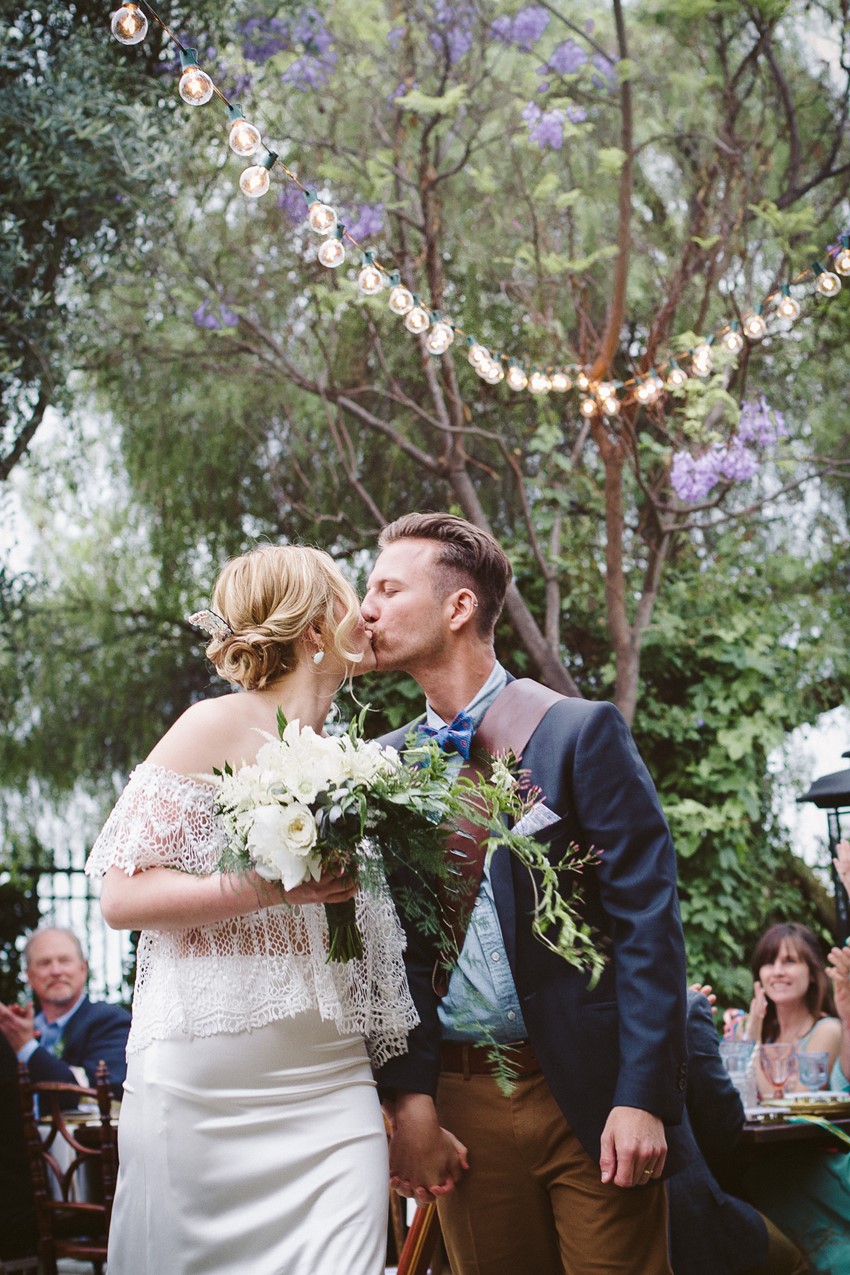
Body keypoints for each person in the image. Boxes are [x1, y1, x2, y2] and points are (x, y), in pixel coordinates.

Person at [361, 512, 689, 1275]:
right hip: (461, 1103)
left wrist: (642, 1094)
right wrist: (410, 1099)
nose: (365, 610)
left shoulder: (577, 732)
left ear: (459, 606)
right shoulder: (379, 766)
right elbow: (390, 954)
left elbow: (647, 921)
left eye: (387, 589)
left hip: (588, 1090)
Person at [85, 544, 420, 1275]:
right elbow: (121, 896)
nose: (367, 613)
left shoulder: (353, 758)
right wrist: (270, 888)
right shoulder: (211, 726)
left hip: (334, 1087)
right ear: (316, 628)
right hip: (206, 1098)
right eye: (351, 598)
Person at [668, 987, 808, 1275]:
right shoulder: (684, 1008)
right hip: (688, 1217)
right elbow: (723, 1130)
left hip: (607, 1217)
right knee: (794, 1263)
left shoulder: (578, 1023)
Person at [0, 926, 131, 1094]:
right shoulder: (17, 1032)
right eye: (44, 963)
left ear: (83, 969)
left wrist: (26, 1046)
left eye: (64, 961)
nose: (56, 971)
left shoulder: (112, 1022)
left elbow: (94, 1098)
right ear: (29, 976)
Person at [733, 922, 841, 1097]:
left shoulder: (827, 1030)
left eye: (789, 961)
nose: (777, 972)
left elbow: (792, 1106)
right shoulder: (762, 1032)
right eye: (769, 962)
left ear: (812, 974)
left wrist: (753, 1045)